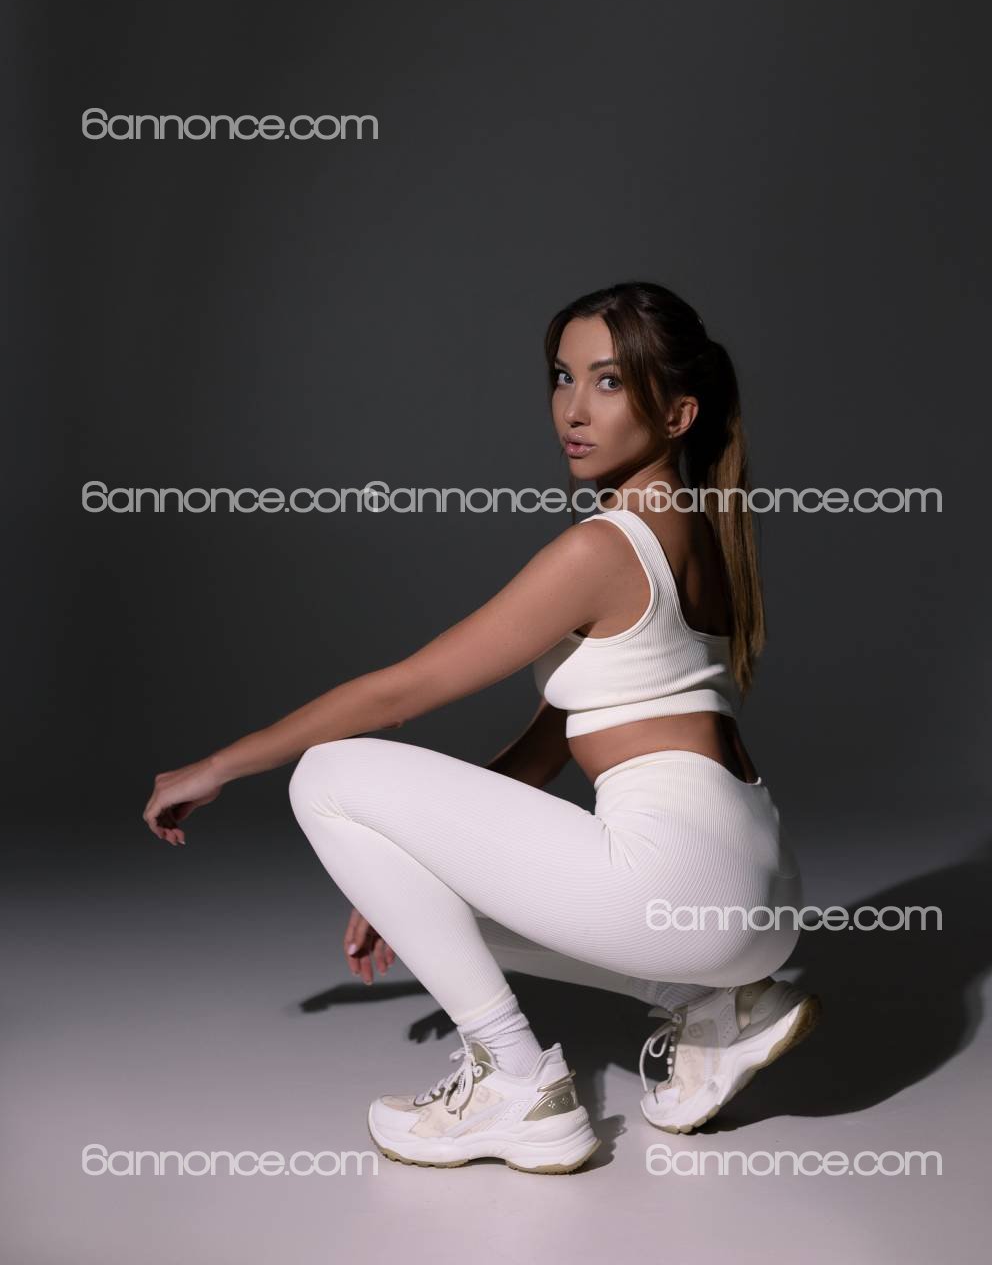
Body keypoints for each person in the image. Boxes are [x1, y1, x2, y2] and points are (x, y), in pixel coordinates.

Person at [142, 279, 821, 1174]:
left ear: (677, 412)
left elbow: (402, 691)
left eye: (609, 382)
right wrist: (403, 869)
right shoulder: (703, 534)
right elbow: (547, 745)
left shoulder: (601, 549)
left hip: (682, 883)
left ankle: (514, 1085)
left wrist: (217, 766)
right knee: (422, 866)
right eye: (562, 377)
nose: (573, 410)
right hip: (762, 896)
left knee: (326, 776)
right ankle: (715, 1008)